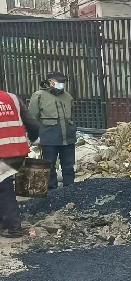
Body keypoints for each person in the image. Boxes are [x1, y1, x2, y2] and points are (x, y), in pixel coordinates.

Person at [27, 71, 77, 190]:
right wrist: (33, 136)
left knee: (69, 166)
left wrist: (73, 130)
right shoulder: (39, 96)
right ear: (50, 82)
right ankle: (52, 191)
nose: (61, 84)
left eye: (63, 82)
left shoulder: (67, 96)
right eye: (58, 81)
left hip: (68, 138)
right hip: (49, 138)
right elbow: (32, 118)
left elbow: (72, 116)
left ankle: (70, 190)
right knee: (49, 165)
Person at [0, 89, 39, 238]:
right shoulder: (12, 98)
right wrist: (34, 138)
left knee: (4, 191)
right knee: (4, 187)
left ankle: (14, 228)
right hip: (18, 151)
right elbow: (31, 123)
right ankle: (5, 224)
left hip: (2, 154)